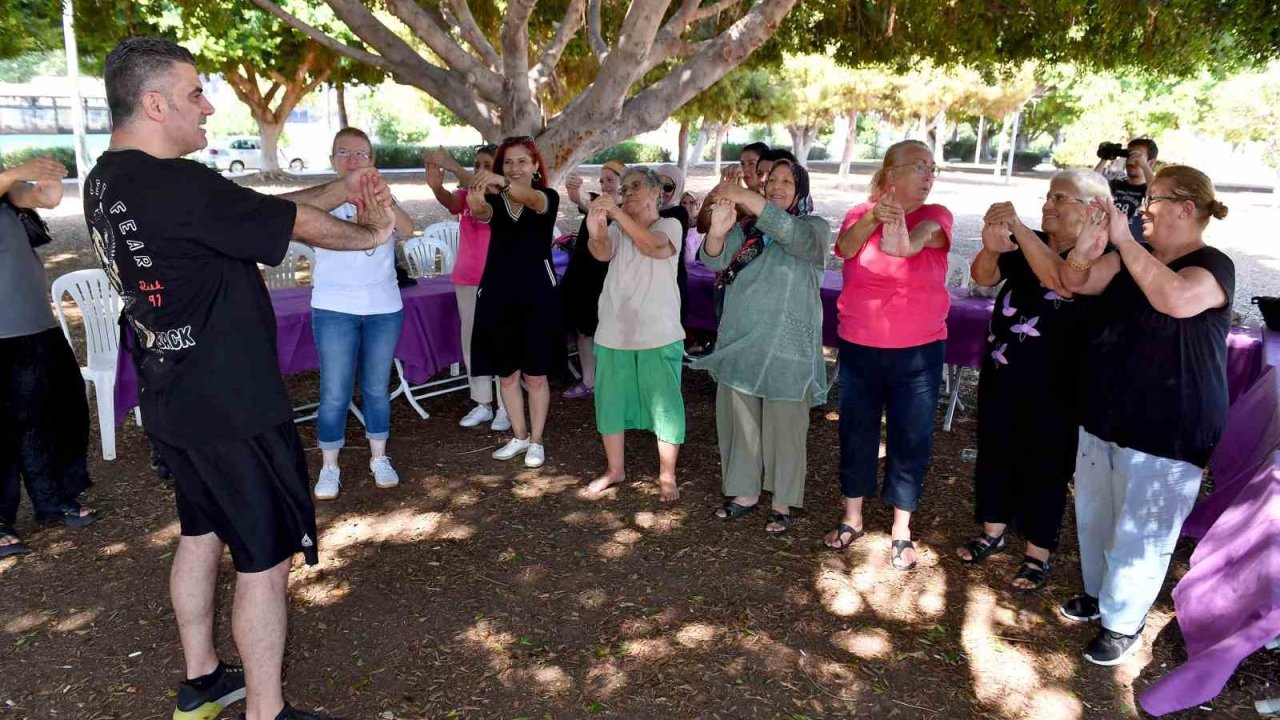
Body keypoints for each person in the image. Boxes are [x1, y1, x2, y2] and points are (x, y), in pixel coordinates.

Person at [85, 36, 396, 720]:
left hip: (172, 401)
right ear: (155, 101)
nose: (209, 105)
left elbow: (261, 215)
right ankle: (266, 711)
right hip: (234, 407)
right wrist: (371, 232)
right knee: (264, 557)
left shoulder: (107, 179)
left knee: (200, 531)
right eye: (196, 93)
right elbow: (304, 230)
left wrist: (341, 191)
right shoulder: (180, 185)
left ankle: (202, 681)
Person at [1056, 165, 1233, 666]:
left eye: (1152, 199)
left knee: (1142, 530)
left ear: (1186, 208)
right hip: (1106, 414)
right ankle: (1099, 594)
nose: (1141, 209)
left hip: (1169, 426)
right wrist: (1084, 250)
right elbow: (1077, 283)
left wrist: (1123, 241)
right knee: (1096, 515)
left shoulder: (1212, 266)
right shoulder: (1135, 259)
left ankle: (1123, 622)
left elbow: (1174, 299)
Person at [956, 169, 1112, 591]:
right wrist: (990, 249)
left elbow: (1061, 281)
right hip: (1005, 373)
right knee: (996, 450)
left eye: (1061, 198)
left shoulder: (1102, 255)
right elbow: (984, 276)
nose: (1048, 205)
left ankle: (1038, 552)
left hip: (1060, 385)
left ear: (1093, 210)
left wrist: (1021, 230)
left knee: (1047, 462)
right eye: (1048, 196)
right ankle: (993, 529)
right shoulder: (1031, 244)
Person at [827, 140, 951, 571]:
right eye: (920, 167)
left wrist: (900, 233)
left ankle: (901, 528)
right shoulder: (858, 215)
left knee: (910, 437)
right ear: (889, 174)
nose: (929, 175)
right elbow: (844, 248)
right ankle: (853, 517)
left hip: (918, 352)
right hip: (861, 347)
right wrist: (874, 218)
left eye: (933, 168)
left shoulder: (937, 216)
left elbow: (916, 242)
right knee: (856, 432)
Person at [694, 159, 831, 535]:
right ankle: (743, 493)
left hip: (788, 348)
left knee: (786, 427)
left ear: (801, 189)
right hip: (741, 343)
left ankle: (782, 501)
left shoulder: (814, 229)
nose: (778, 186)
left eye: (788, 181)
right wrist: (718, 233)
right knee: (739, 423)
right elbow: (713, 260)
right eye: (773, 181)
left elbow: (790, 233)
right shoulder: (748, 229)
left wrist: (742, 195)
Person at [309, 127, 415, 501]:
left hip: (383, 307)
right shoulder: (321, 200)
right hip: (334, 307)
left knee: (375, 388)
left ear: (372, 161)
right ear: (332, 159)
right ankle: (329, 465)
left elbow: (408, 228)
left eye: (361, 154)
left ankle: (379, 458)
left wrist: (385, 201)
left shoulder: (383, 194)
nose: (352, 160)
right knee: (334, 392)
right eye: (344, 153)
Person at [0, 156, 98, 559]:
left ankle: (53, 499)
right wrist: (20, 170)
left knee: (48, 415)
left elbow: (45, 198)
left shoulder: (6, 192)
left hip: (34, 325)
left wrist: (49, 179)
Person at [581, 168, 686, 502]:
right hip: (614, 331)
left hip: (659, 332)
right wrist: (596, 228)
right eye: (623, 189)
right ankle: (615, 469)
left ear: (657, 193)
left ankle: (667, 475)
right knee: (609, 402)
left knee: (666, 406)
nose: (627, 193)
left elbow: (652, 246)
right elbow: (600, 251)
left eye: (635, 186)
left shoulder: (670, 224)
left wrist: (614, 213)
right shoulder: (619, 227)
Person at [467, 137, 562, 469]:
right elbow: (481, 213)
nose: (515, 168)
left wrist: (501, 182)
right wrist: (476, 196)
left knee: (535, 376)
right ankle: (519, 436)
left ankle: (537, 440)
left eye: (522, 162)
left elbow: (530, 198)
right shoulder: (498, 200)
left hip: (537, 297)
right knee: (506, 375)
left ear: (535, 166)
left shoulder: (547, 197)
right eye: (508, 162)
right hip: (497, 294)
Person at [424, 145, 512, 432]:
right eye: (476, 165)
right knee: (473, 342)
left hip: (499, 279)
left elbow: (482, 192)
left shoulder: (504, 196)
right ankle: (483, 403)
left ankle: (505, 406)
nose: (479, 170)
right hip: (466, 278)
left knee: (500, 343)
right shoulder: (467, 194)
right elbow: (450, 202)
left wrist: (450, 163)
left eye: (487, 165)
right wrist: (436, 187)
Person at [559, 159, 626, 400]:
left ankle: (612, 381)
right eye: (602, 180)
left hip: (608, 277)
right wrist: (574, 193)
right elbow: (582, 201)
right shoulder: (595, 201)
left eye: (610, 180)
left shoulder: (628, 208)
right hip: (582, 274)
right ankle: (589, 380)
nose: (605, 185)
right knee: (583, 331)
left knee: (608, 331)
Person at [1094, 138, 1157, 241]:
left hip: (1133, 245)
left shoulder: (1148, 188)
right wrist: (1104, 159)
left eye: (1137, 157)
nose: (1131, 161)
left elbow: (1157, 192)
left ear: (1151, 163)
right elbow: (1089, 184)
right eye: (1129, 156)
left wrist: (1145, 167)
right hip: (1105, 241)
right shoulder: (1115, 184)